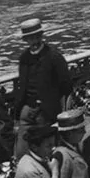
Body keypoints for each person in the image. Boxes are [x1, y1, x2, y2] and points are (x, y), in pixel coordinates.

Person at [11, 17, 73, 160]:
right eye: (29, 38)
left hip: (46, 112)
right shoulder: (24, 58)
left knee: (45, 151)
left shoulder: (54, 57)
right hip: (27, 111)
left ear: (40, 36)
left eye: (34, 37)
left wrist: (59, 109)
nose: (32, 41)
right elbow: (21, 87)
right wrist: (17, 116)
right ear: (26, 40)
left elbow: (66, 85)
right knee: (20, 152)